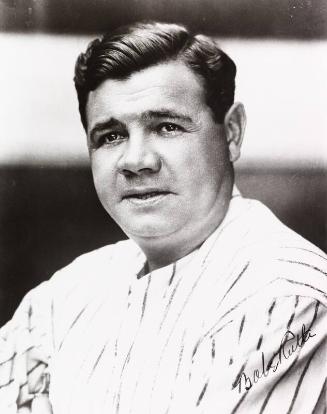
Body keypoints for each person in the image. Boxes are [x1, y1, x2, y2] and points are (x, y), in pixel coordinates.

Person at [0, 22, 326, 414]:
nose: (136, 160)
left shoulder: (287, 296)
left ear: (232, 133)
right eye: (110, 136)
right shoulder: (63, 297)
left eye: (166, 127)